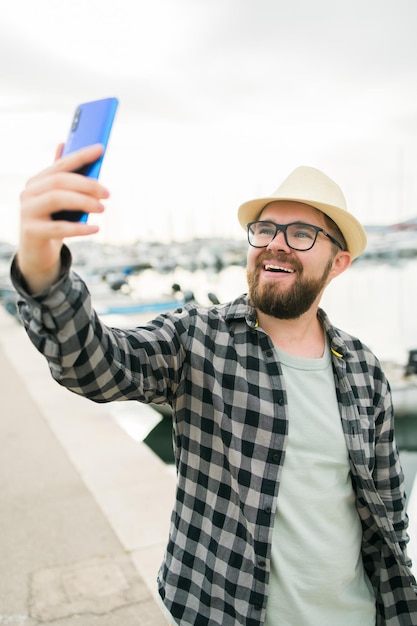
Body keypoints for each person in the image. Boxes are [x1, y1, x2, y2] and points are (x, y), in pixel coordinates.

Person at [11, 144, 417, 626]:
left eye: (302, 233)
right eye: (265, 229)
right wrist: (41, 266)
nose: (276, 242)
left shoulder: (363, 369)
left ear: (338, 263)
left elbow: (388, 515)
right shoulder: (197, 338)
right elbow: (94, 364)